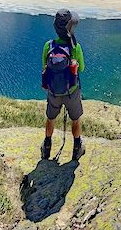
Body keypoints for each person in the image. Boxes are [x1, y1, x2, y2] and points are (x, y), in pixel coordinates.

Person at [41, 9, 85, 161]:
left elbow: (44, 67)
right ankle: (77, 147)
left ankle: (47, 146)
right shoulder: (75, 47)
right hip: (72, 91)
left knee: (50, 118)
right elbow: (83, 68)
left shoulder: (49, 45)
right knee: (76, 119)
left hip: (53, 92)